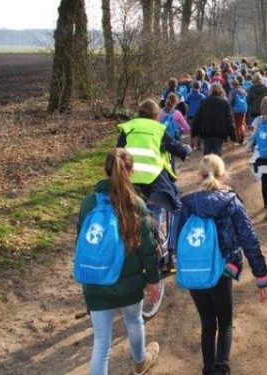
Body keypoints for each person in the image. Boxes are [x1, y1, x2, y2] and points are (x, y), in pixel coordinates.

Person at [176, 155, 267, 375]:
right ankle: (222, 368)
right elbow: (249, 240)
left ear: (199, 176)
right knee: (225, 323)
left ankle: (208, 370)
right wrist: (261, 276)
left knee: (207, 324)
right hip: (222, 271)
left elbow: (176, 241)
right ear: (223, 174)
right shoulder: (231, 202)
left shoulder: (187, 205)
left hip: (194, 271)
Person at [77, 148, 162, 375]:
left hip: (95, 280)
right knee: (134, 322)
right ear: (130, 172)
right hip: (129, 281)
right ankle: (140, 362)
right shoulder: (136, 204)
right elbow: (147, 248)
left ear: (106, 171)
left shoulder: (88, 204)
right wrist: (153, 279)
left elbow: (82, 242)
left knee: (101, 341)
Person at [117, 100, 192, 251]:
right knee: (171, 208)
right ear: (156, 115)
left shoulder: (128, 128)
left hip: (129, 180)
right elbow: (176, 148)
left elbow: (118, 151)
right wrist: (187, 149)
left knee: (132, 213)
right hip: (154, 181)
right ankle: (166, 249)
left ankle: (134, 246)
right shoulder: (158, 129)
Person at [191, 83, 237, 157]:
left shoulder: (204, 102)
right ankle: (217, 168)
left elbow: (197, 118)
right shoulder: (224, 103)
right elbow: (229, 121)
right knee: (217, 156)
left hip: (206, 133)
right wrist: (233, 136)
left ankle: (208, 168)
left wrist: (194, 133)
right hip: (219, 133)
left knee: (207, 156)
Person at [158, 93, 191, 171]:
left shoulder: (159, 112)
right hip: (173, 140)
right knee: (172, 159)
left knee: (161, 158)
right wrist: (180, 129)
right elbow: (187, 128)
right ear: (176, 102)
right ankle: (172, 177)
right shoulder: (177, 113)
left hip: (160, 139)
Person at [227, 78, 248, 145]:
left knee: (236, 124)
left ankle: (238, 137)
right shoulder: (242, 90)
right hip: (243, 109)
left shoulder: (231, 92)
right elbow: (247, 98)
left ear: (232, 85)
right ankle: (242, 133)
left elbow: (229, 101)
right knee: (242, 123)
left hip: (234, 110)